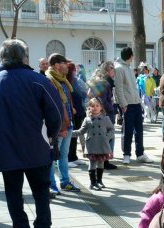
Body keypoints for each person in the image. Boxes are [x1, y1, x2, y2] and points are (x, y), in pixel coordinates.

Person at [0, 39, 62, 228]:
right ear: (24, 56)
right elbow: (56, 113)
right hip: (36, 144)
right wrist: (52, 134)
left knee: (13, 190)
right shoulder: (37, 80)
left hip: (5, 147)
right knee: (41, 189)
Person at [46, 53, 81, 194]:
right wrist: (61, 127)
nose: (67, 66)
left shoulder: (63, 80)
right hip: (60, 126)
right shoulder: (49, 81)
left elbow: (66, 101)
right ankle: (51, 184)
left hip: (68, 123)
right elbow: (53, 107)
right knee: (53, 156)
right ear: (56, 65)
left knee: (63, 155)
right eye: (64, 63)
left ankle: (64, 182)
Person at [114, 47, 153, 164]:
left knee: (139, 130)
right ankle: (126, 154)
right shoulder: (119, 68)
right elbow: (119, 88)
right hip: (128, 105)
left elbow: (134, 88)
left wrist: (140, 103)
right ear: (130, 56)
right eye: (133, 55)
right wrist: (123, 104)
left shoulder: (129, 68)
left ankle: (140, 153)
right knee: (128, 130)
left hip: (136, 103)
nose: (134, 57)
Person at [72, 98, 115, 191]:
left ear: (101, 107)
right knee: (92, 163)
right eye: (92, 106)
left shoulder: (106, 118)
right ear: (89, 108)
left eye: (97, 106)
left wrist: (106, 137)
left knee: (101, 163)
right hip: (92, 145)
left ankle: (99, 180)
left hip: (102, 145)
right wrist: (69, 133)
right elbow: (81, 131)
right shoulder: (87, 119)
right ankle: (92, 183)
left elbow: (112, 129)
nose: (95, 108)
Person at [87, 60, 118, 170]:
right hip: (106, 114)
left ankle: (102, 161)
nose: (114, 71)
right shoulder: (105, 82)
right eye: (112, 69)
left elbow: (89, 94)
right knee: (108, 137)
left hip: (100, 113)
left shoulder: (98, 80)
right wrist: (113, 109)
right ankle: (105, 161)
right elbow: (104, 101)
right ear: (108, 70)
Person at [67, 61, 88, 168]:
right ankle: (68, 158)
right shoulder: (67, 81)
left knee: (76, 135)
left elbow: (83, 92)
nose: (76, 71)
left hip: (79, 111)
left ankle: (74, 156)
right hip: (72, 111)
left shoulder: (76, 80)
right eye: (74, 69)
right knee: (71, 136)